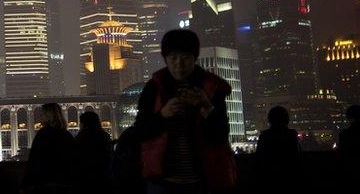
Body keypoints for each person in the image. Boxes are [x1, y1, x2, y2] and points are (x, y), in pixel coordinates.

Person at [135, 29, 235, 193]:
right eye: (173, 58)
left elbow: (220, 136)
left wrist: (206, 107)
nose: (179, 64)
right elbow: (140, 131)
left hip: (202, 179)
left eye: (185, 58)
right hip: (162, 181)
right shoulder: (154, 88)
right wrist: (162, 115)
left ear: (194, 58)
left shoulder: (211, 88)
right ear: (165, 59)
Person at [21, 103, 74, 193]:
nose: (40, 116)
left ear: (49, 116)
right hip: (65, 182)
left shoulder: (43, 134)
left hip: (45, 183)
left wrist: (26, 183)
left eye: (42, 114)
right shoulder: (66, 135)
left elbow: (35, 160)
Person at [254, 106, 299, 192]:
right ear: (287, 119)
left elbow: (259, 158)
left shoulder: (264, 136)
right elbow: (296, 157)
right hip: (290, 177)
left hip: (268, 179)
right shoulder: (292, 135)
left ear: (270, 119)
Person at [72, 110, 112, 194]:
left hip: (84, 179)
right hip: (103, 178)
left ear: (83, 123)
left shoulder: (81, 137)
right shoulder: (104, 136)